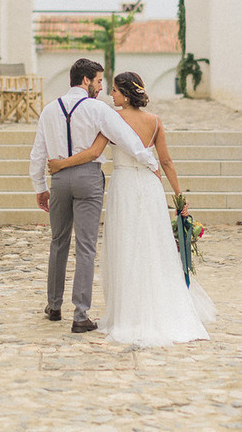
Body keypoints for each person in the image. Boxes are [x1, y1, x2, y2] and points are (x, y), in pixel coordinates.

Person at [48, 70, 216, 346]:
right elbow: (167, 162)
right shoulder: (155, 121)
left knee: (125, 247)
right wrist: (179, 199)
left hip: (125, 187)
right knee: (153, 246)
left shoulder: (114, 120)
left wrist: (60, 165)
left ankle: (128, 312)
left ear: (125, 94)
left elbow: (92, 153)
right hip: (149, 188)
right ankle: (154, 305)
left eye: (114, 90)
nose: (110, 94)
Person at [29, 59, 158, 334]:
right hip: (88, 178)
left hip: (59, 179)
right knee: (86, 246)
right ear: (86, 80)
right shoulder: (97, 109)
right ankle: (80, 314)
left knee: (58, 242)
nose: (101, 87)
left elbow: (38, 152)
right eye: (99, 81)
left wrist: (40, 186)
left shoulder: (50, 109)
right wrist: (150, 161)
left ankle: (53, 306)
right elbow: (126, 137)